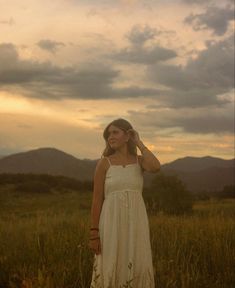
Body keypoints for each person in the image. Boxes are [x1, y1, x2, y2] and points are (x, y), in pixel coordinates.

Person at [89, 118, 160, 288]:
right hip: (111, 224)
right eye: (108, 134)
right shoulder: (104, 163)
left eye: (115, 132)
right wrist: (94, 233)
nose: (110, 137)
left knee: (137, 260)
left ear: (127, 136)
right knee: (111, 261)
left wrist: (139, 143)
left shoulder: (139, 161)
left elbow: (156, 167)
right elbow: (97, 200)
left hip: (136, 223)